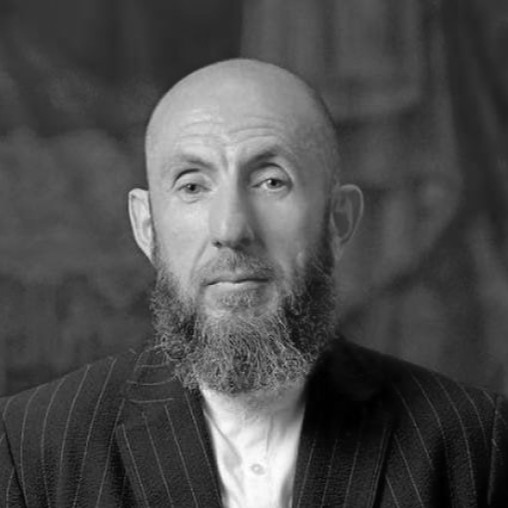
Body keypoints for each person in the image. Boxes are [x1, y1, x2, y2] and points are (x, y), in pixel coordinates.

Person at [0, 59, 507, 507]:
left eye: (271, 181)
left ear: (338, 219)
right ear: (147, 226)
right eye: (192, 185)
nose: (231, 229)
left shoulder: (476, 445)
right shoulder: (29, 449)